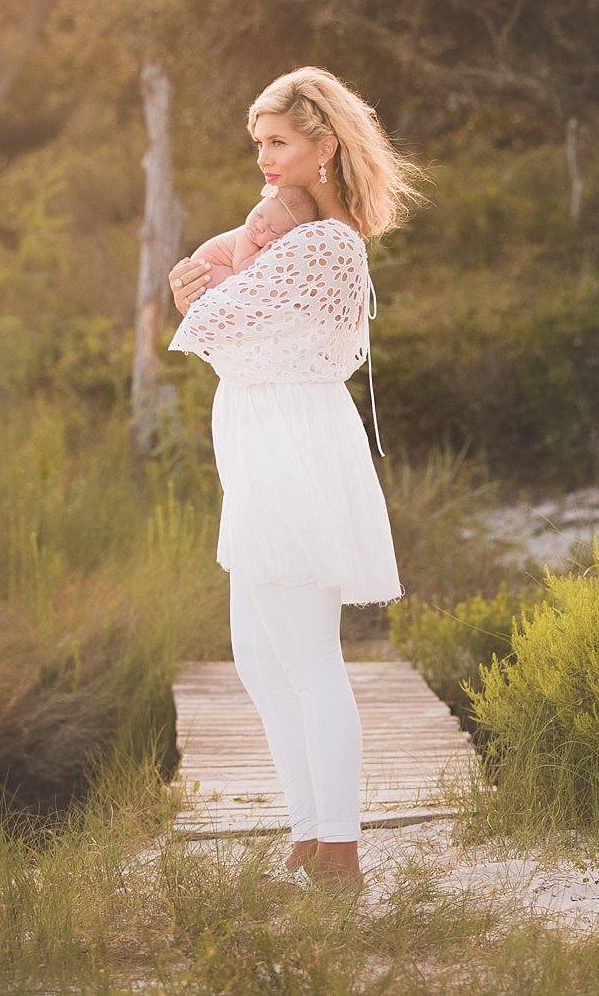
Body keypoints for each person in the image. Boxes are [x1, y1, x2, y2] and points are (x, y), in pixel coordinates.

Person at [166, 67, 423, 888]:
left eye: (279, 142)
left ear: (325, 146)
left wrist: (204, 285)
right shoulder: (292, 234)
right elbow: (222, 319)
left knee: (308, 658)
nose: (265, 159)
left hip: (293, 444)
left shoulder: (325, 243)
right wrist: (207, 282)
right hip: (260, 440)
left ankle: (339, 852)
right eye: (259, 144)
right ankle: (309, 835)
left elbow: (214, 323)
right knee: (256, 658)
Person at [188, 185, 320, 281]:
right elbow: (241, 269)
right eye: (259, 213)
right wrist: (262, 254)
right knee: (234, 281)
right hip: (203, 269)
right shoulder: (245, 237)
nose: (258, 226)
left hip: (205, 271)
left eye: (271, 229)